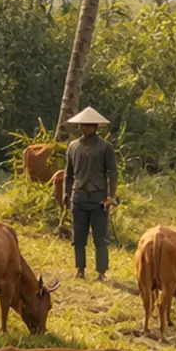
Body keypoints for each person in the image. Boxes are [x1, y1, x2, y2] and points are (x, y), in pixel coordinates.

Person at [62, 106, 118, 280]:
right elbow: (68, 173)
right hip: (78, 197)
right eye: (82, 125)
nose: (83, 128)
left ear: (95, 127)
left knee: (100, 238)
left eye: (87, 125)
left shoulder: (105, 147)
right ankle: (80, 269)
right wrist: (66, 193)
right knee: (78, 237)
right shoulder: (73, 147)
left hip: (98, 198)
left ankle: (101, 272)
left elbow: (113, 172)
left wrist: (111, 195)